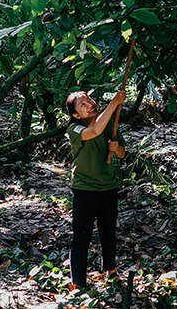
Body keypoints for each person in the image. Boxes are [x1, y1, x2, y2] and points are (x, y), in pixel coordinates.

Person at [65, 89, 127, 290]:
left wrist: (116, 149)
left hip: (108, 186)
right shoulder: (74, 128)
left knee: (108, 231)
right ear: (76, 115)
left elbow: (123, 154)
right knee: (81, 235)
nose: (89, 104)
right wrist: (114, 103)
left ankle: (110, 269)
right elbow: (93, 132)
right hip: (85, 187)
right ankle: (78, 283)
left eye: (89, 100)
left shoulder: (109, 123)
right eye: (82, 104)